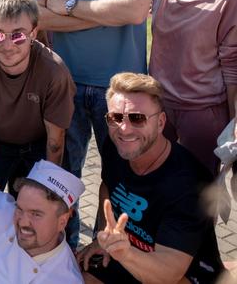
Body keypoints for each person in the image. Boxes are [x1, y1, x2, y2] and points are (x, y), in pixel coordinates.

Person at [26, 0, 160, 247]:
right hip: (62, 84)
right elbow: (35, 16)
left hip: (119, 90)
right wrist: (107, 7)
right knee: (61, 180)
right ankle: (62, 255)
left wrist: (66, 4)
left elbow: (137, 10)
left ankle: (118, 256)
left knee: (122, 182)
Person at [77, 72, 225, 284]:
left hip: (181, 274)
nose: (124, 129)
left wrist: (123, 252)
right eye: (115, 117)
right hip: (129, 255)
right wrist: (103, 234)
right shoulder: (116, 146)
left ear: (161, 122)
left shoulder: (190, 184)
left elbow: (168, 274)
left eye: (138, 118)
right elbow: (107, 185)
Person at [149, 0, 237, 175]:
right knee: (155, 190)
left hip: (202, 115)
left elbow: (233, 69)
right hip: (158, 109)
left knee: (197, 199)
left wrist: (235, 125)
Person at [0, 0, 75, 196]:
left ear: (33, 33)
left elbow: (55, 140)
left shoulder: (54, 72)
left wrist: (48, 182)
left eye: (18, 35)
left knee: (47, 206)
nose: (7, 45)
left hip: (39, 146)